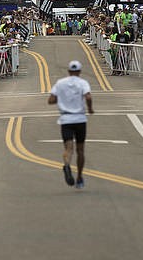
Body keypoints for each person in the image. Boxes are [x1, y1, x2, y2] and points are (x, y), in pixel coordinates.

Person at [47, 60, 94, 189]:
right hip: (79, 119)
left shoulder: (60, 83)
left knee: (68, 148)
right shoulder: (83, 83)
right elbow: (88, 97)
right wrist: (90, 109)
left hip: (66, 119)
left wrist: (61, 98)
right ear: (79, 71)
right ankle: (79, 177)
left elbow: (51, 100)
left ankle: (67, 164)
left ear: (68, 71)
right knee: (80, 150)